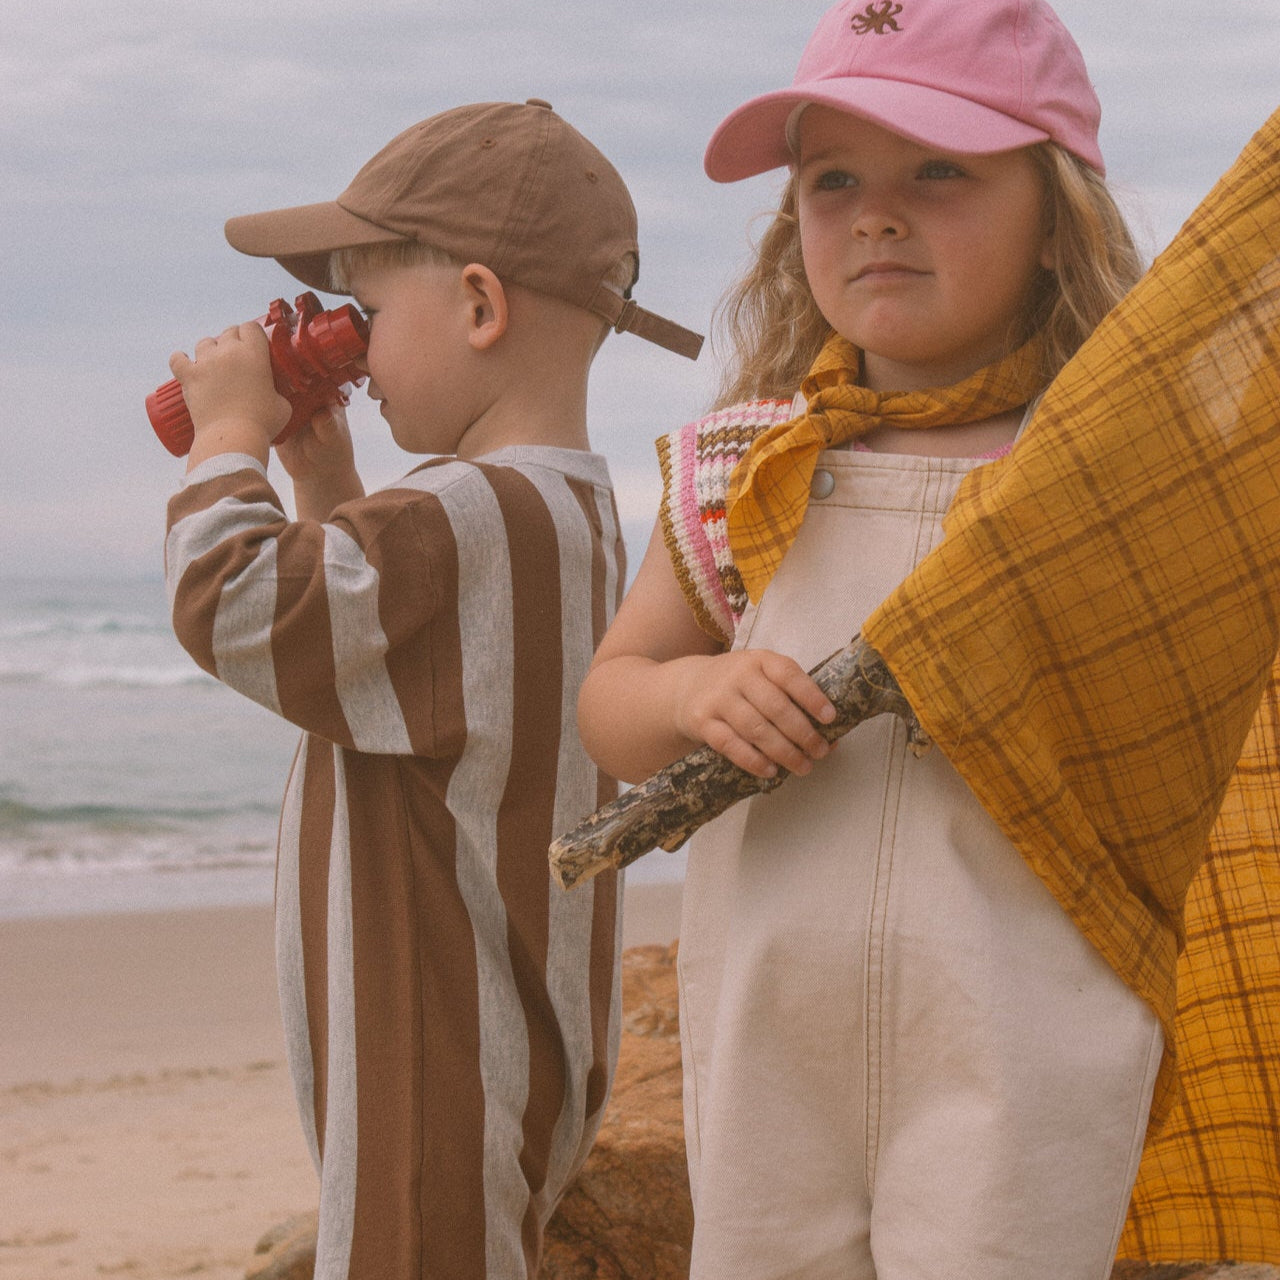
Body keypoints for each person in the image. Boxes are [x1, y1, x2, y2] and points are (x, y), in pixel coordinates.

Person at [577, 2, 1172, 1276]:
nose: (874, 213)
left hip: (1026, 1034)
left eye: (938, 170)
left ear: (1056, 212)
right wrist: (692, 692)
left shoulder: (1112, 469)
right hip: (767, 1038)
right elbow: (609, 698)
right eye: (831, 178)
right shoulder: (744, 465)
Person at [162, 99, 702, 1279]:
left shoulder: (461, 517)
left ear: (475, 306)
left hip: (431, 1060)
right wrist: (329, 478)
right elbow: (371, 663)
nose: (347, 343)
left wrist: (228, 436)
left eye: (365, 310)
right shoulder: (555, 512)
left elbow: (235, 605)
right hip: (496, 1042)